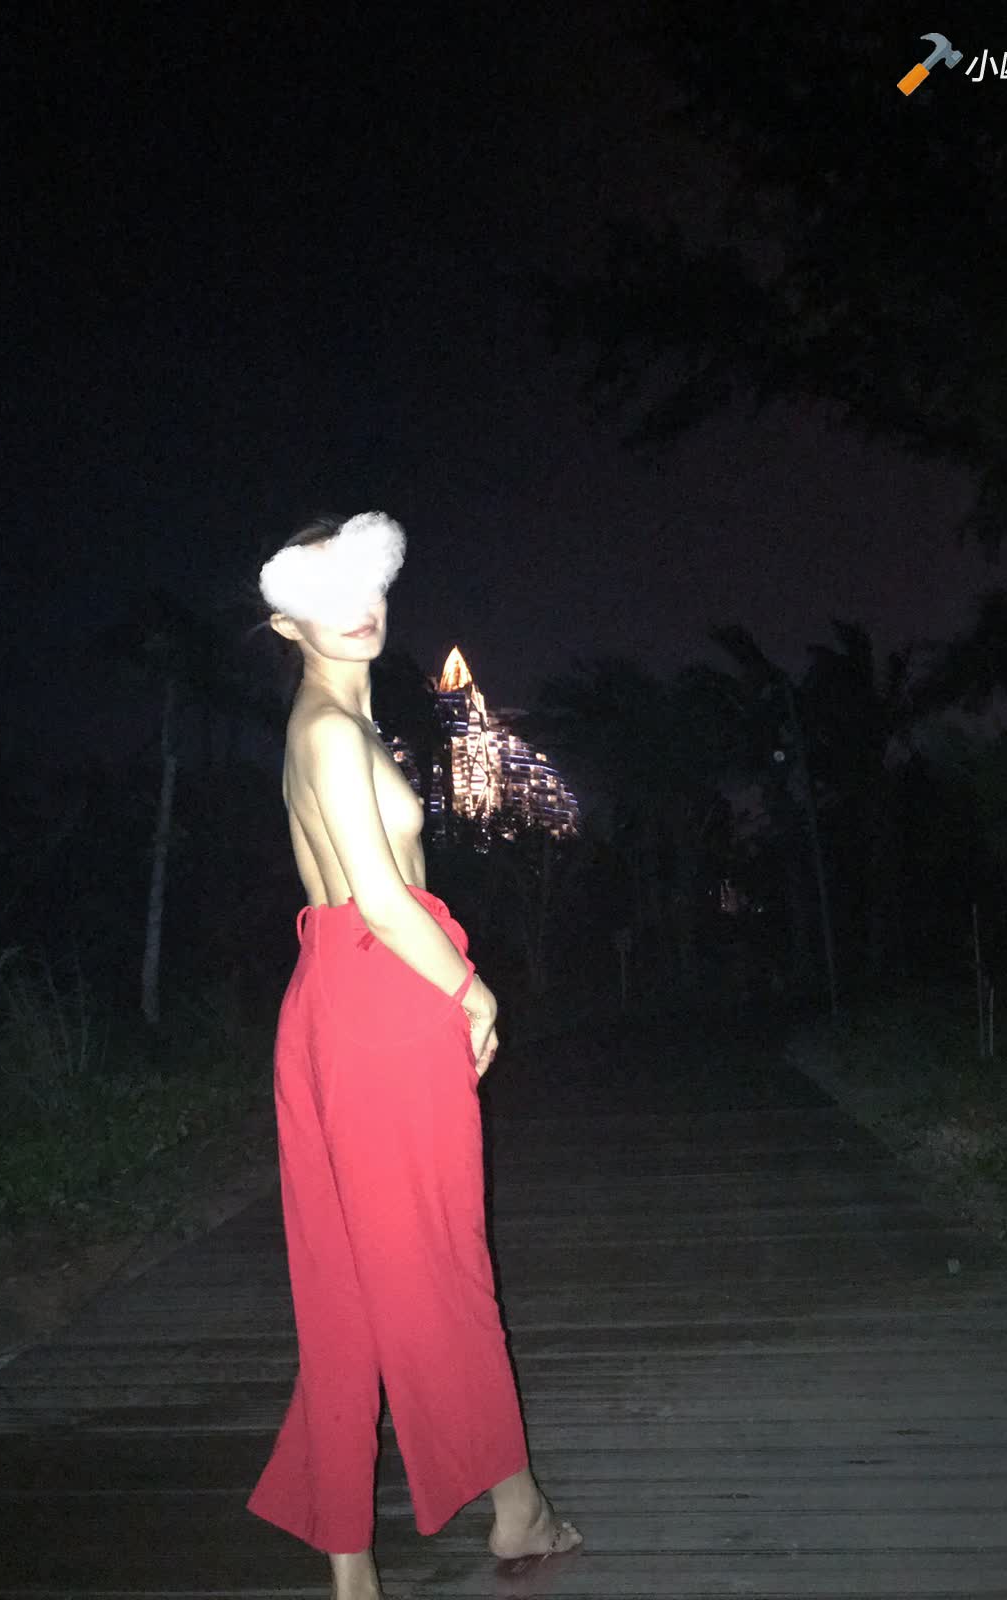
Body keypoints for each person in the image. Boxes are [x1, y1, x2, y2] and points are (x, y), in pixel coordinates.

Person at [245, 513, 581, 1600]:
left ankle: (355, 1574)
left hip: (337, 1001)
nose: (358, 609)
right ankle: (517, 1513)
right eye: (326, 593)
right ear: (285, 621)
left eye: (369, 583)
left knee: (350, 1286)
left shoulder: (328, 725)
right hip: (383, 998)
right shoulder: (330, 734)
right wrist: (471, 987)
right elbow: (383, 902)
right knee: (440, 1267)